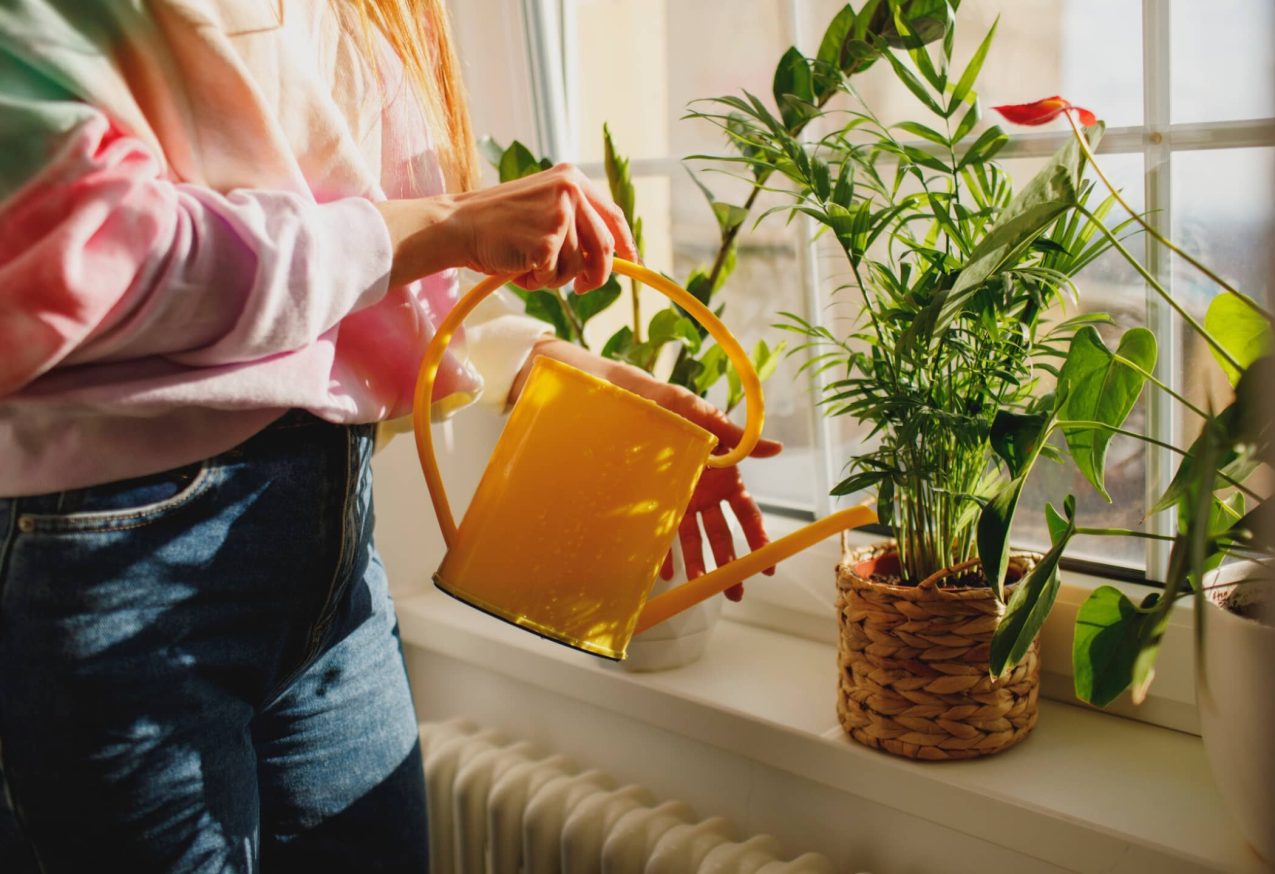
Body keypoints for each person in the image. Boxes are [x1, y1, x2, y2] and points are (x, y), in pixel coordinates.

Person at [0, 1, 779, 871]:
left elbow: (372, 272)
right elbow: (85, 247)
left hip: (331, 554)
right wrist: (448, 224)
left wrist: (542, 365)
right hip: (117, 551)